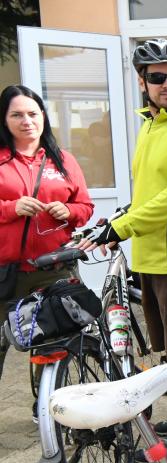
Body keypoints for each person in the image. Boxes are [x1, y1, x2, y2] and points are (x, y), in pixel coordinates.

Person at [79, 38, 167, 462]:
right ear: (142, 82)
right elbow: (150, 193)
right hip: (151, 258)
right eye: (158, 77)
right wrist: (120, 218)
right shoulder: (150, 127)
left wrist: (122, 227)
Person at [0, 85, 93, 387]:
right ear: (4, 119)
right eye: (17, 115)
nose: (26, 120)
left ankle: (46, 407)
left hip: (54, 271)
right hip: (7, 275)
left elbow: (85, 206)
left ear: (43, 116)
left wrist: (69, 212)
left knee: (55, 346)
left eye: (32, 113)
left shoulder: (62, 159)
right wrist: (12, 207)